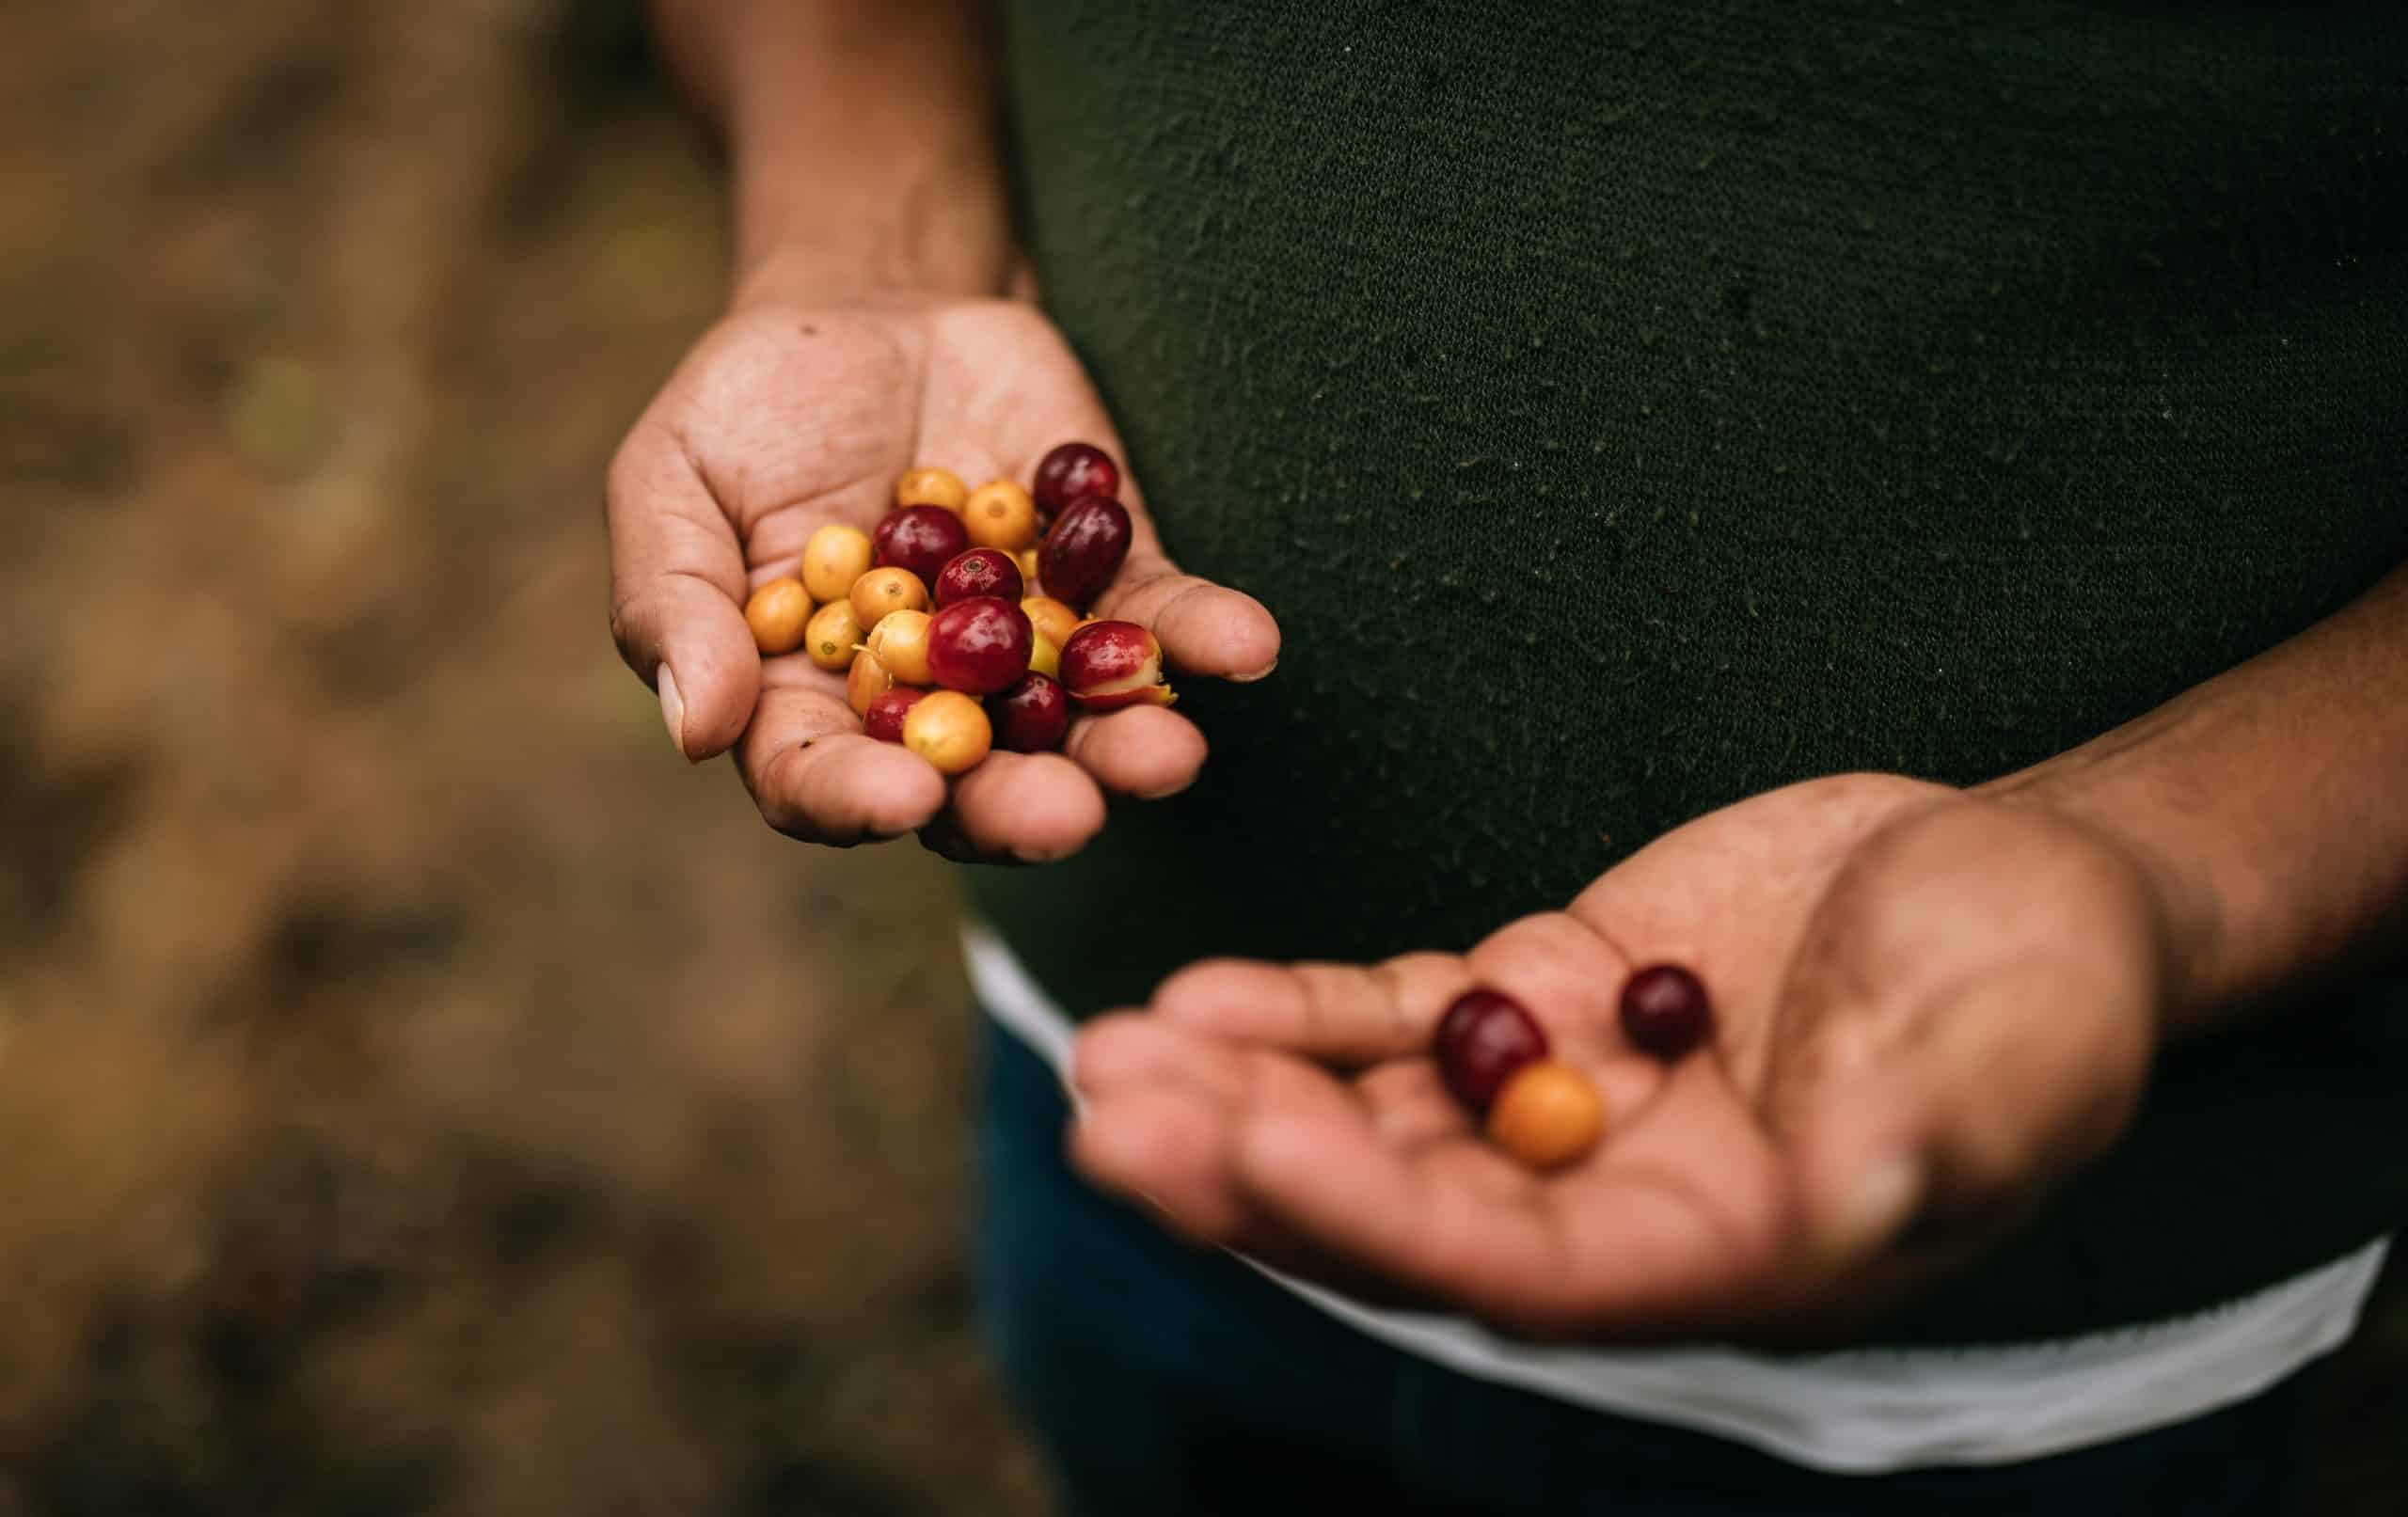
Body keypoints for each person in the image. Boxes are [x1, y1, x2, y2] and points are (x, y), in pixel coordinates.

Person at [608, 2, 2408, 1510]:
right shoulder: (972, 629)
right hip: (1134, 1048)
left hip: (2021, 1332)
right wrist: (866, 243)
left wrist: (2156, 867)